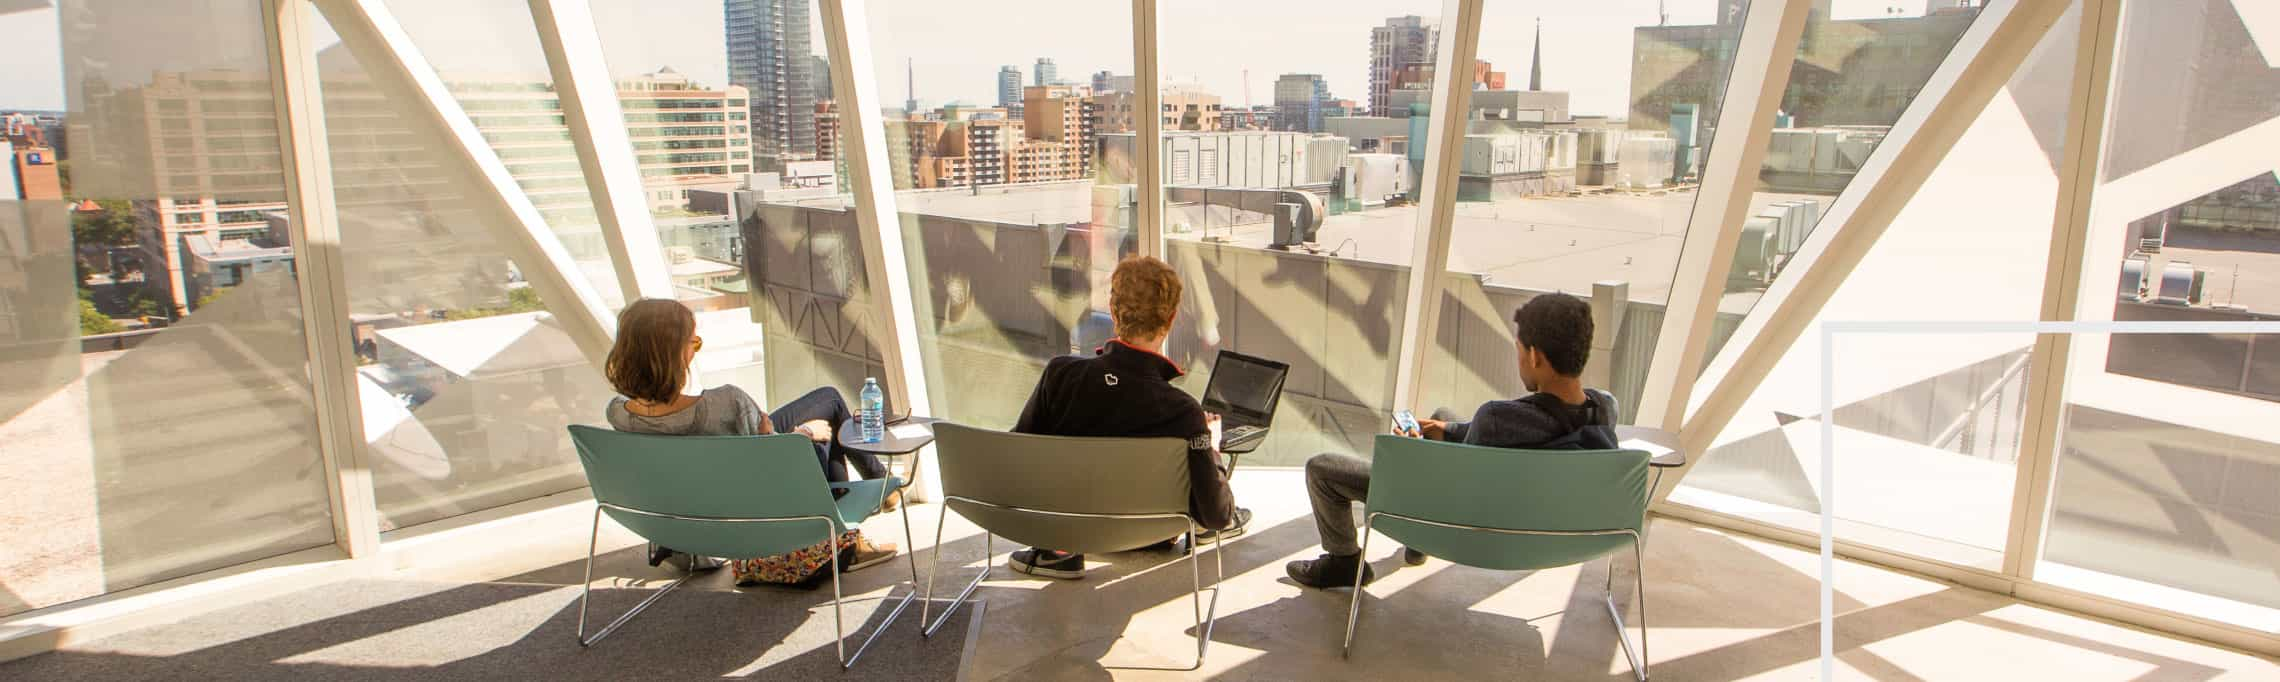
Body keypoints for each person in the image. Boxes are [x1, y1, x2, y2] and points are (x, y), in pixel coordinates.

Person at [1285, 292, 1620, 590]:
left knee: (1322, 470)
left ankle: (1345, 561)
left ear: (1534, 356)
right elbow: (1520, 436)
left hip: (1457, 525)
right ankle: (1416, 548)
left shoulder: (1495, 418)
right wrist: (1448, 430)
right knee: (1445, 416)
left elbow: (1459, 472)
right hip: (1550, 529)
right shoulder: (1606, 408)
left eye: (1518, 352)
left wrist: (1414, 451)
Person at [602, 298, 898, 588]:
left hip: (684, 525)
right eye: (694, 344)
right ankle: (849, 533)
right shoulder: (727, 402)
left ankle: (869, 495)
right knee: (826, 416)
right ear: (673, 354)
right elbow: (769, 471)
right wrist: (802, 435)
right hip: (745, 520)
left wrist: (770, 431)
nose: (695, 352)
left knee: (827, 400)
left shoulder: (618, 413)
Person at [1004, 256, 1249, 579]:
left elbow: (1019, 451)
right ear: (1172, 318)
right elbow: (1217, 516)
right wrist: (1212, 447)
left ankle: (1056, 552)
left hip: (1076, 530)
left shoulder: (1060, 375)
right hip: (1150, 534)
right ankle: (1195, 529)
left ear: (1114, 310)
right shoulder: (1183, 412)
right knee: (1203, 480)